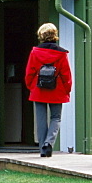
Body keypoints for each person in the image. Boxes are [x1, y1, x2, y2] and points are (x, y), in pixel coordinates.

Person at [24, 23, 72, 157]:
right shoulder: (61, 54)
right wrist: (67, 89)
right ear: (54, 35)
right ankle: (48, 143)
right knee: (56, 118)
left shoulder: (35, 52)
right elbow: (66, 74)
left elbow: (29, 73)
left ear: (41, 35)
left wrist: (31, 87)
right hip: (57, 90)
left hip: (38, 89)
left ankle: (42, 149)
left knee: (40, 119)